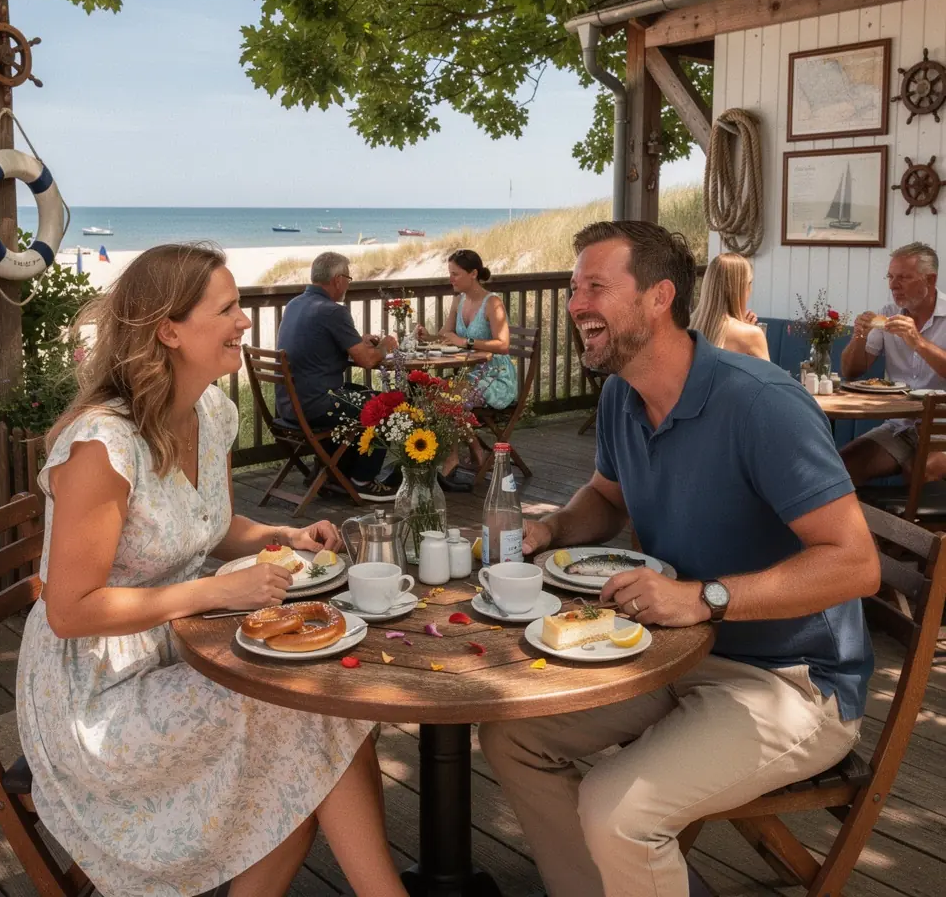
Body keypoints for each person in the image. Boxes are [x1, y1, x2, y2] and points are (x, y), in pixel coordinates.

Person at [478, 221, 880, 897]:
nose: (576, 304)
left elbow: (855, 563)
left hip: (791, 683)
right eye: (575, 288)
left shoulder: (760, 405)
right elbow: (606, 497)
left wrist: (703, 598)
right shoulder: (620, 396)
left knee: (616, 811)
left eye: (596, 288)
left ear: (660, 297)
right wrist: (553, 531)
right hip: (669, 652)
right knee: (511, 736)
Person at [16, 244, 408, 897]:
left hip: (181, 651)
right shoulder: (103, 446)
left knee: (311, 713)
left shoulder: (211, 414)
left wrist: (284, 534)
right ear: (169, 330)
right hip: (96, 695)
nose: (245, 322)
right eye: (227, 309)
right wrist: (214, 591)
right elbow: (69, 609)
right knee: (309, 712)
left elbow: (210, 525)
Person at [277, 251, 400, 500]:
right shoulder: (333, 311)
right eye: (348, 278)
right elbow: (366, 360)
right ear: (337, 280)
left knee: (363, 395)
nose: (348, 284)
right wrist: (386, 346)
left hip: (289, 406)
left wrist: (358, 341)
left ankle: (334, 473)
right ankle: (362, 479)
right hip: (317, 405)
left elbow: (322, 345)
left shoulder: (295, 304)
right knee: (385, 405)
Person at [840, 241, 946, 485]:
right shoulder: (888, 312)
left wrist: (918, 342)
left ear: (930, 280)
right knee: (840, 470)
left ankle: (916, 525)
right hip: (901, 426)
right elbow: (851, 371)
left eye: (904, 277)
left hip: (942, 426)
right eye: (890, 276)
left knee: (919, 470)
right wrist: (860, 336)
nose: (893, 285)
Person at [419, 249, 518, 490]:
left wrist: (467, 343)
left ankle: (453, 458)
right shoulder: (458, 300)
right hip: (470, 375)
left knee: (449, 399)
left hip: (495, 377)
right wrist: (428, 336)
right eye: (449, 274)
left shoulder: (492, 303)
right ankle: (476, 450)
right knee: (435, 396)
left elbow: (503, 345)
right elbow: (446, 336)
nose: (451, 279)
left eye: (456, 274)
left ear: (473, 274)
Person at [689, 252, 769, 359]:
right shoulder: (752, 335)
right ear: (740, 288)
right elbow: (768, 375)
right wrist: (745, 328)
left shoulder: (687, 325)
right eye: (749, 284)